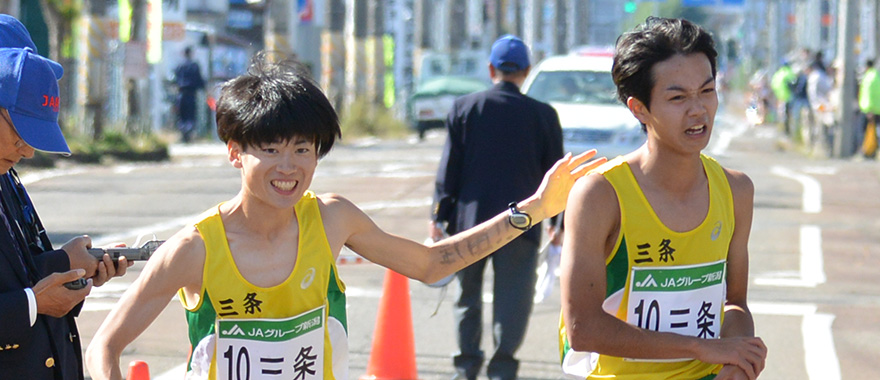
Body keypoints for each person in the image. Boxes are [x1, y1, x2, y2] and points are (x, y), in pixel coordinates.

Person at [85, 53, 603, 380]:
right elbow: (105, 345)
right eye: (271, 149)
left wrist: (533, 209)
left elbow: (431, 264)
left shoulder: (332, 219)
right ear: (235, 151)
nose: (289, 168)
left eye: (303, 149)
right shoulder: (194, 248)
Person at [558, 17, 767, 380]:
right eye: (677, 97)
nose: (698, 109)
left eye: (706, 90)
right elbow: (583, 329)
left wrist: (738, 358)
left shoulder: (735, 191)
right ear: (639, 108)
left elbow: (735, 303)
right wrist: (699, 346)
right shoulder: (600, 196)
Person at [0, 14, 130, 379]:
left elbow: (15, 275)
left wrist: (69, 270)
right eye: (20, 131)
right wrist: (33, 303)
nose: (27, 151)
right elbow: (24, 296)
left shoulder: (5, 173)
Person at [429, 34, 564, 380]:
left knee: (466, 296)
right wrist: (557, 223)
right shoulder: (544, 115)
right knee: (514, 300)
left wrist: (439, 216)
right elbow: (556, 176)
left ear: (491, 68)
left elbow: (449, 170)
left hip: (469, 223)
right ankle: (503, 368)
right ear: (526, 71)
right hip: (522, 223)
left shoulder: (464, 109)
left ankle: (467, 366)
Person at [174, 46, 205, 143]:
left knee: (182, 115)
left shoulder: (180, 66)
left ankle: (184, 134)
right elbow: (200, 81)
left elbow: (175, 80)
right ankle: (188, 133)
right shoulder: (194, 66)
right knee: (190, 115)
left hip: (181, 94)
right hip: (191, 94)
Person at [858, 59, 880, 158]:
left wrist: (869, 109)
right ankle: (873, 151)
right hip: (877, 109)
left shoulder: (868, 78)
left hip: (869, 110)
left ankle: (868, 152)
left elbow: (869, 95)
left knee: (866, 132)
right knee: (876, 131)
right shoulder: (877, 76)